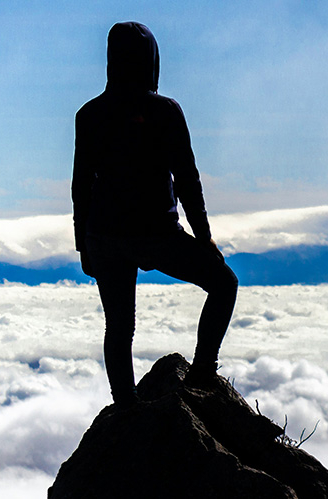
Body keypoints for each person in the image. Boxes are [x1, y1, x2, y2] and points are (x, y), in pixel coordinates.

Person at [72, 21, 238, 406]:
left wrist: (84, 246)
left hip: (105, 237)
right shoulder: (164, 110)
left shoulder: (89, 114)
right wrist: (203, 235)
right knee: (224, 283)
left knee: (118, 326)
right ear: (151, 60)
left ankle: (125, 407)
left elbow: (80, 186)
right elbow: (186, 178)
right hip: (157, 235)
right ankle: (201, 375)